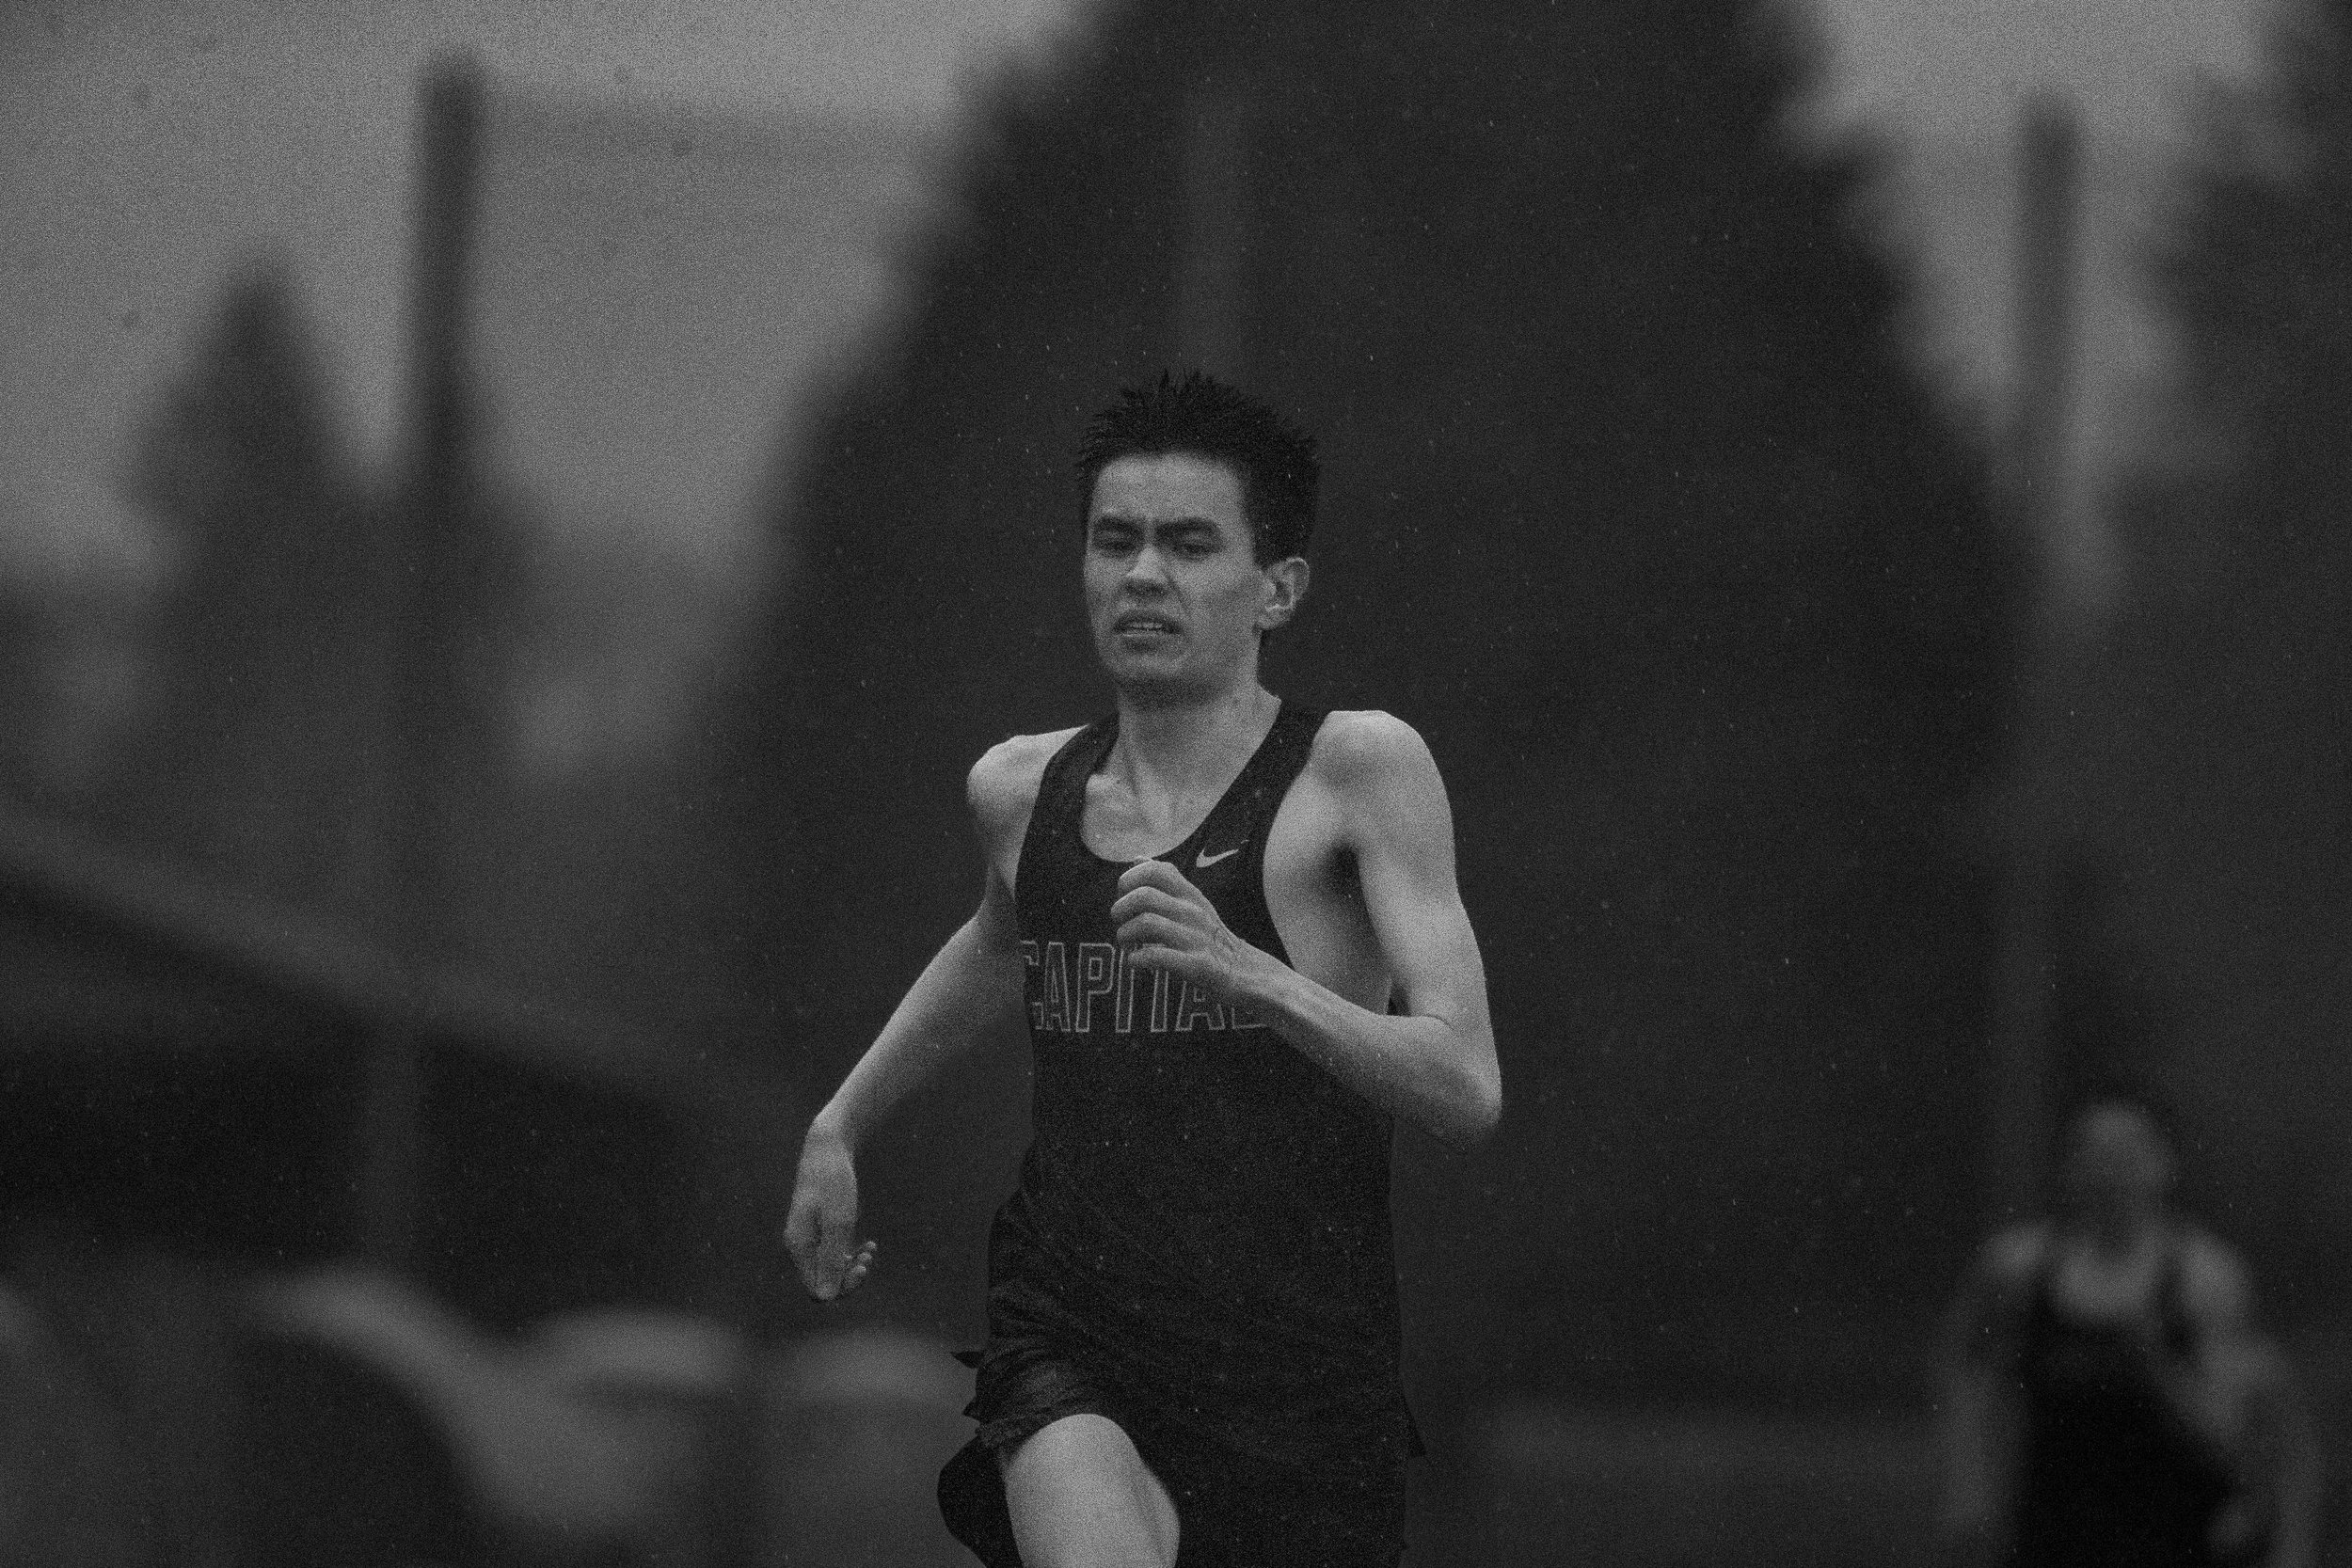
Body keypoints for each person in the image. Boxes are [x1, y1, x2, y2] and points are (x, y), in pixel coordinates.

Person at [783, 370, 1502, 1568]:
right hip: (1073, 1332)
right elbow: (996, 943)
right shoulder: (1020, 789)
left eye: (1187, 544)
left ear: (1277, 587)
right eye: (1114, 542)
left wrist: (1251, 974)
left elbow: (1464, 1083)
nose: (1143, 575)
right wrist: (841, 1119)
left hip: (1301, 1382)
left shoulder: (1357, 773)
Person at [1939, 1098, 2320, 1568]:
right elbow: (1968, 1374)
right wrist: (1969, 1491)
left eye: (2126, 1157)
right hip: (2052, 1532)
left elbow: (2251, 1428)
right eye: (2093, 1155)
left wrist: (2158, 1371)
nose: (2108, 1175)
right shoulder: (2018, 1268)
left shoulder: (2203, 1277)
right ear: (2067, 1165)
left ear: (2164, 1166)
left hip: (2177, 1535)